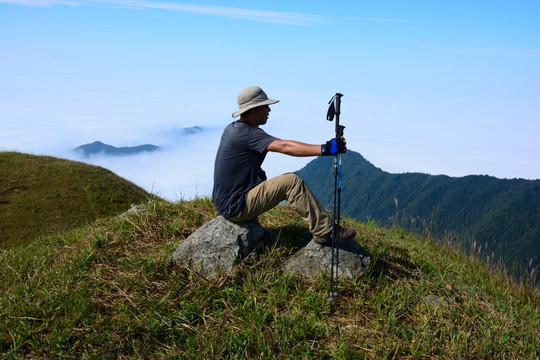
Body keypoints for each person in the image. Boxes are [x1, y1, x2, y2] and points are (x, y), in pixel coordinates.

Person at [212, 86, 356, 244]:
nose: (269, 110)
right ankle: (326, 231)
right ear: (254, 109)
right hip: (235, 206)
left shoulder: (233, 128)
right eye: (265, 106)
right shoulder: (249, 134)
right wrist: (326, 149)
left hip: (224, 201)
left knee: (261, 175)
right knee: (291, 182)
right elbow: (285, 147)